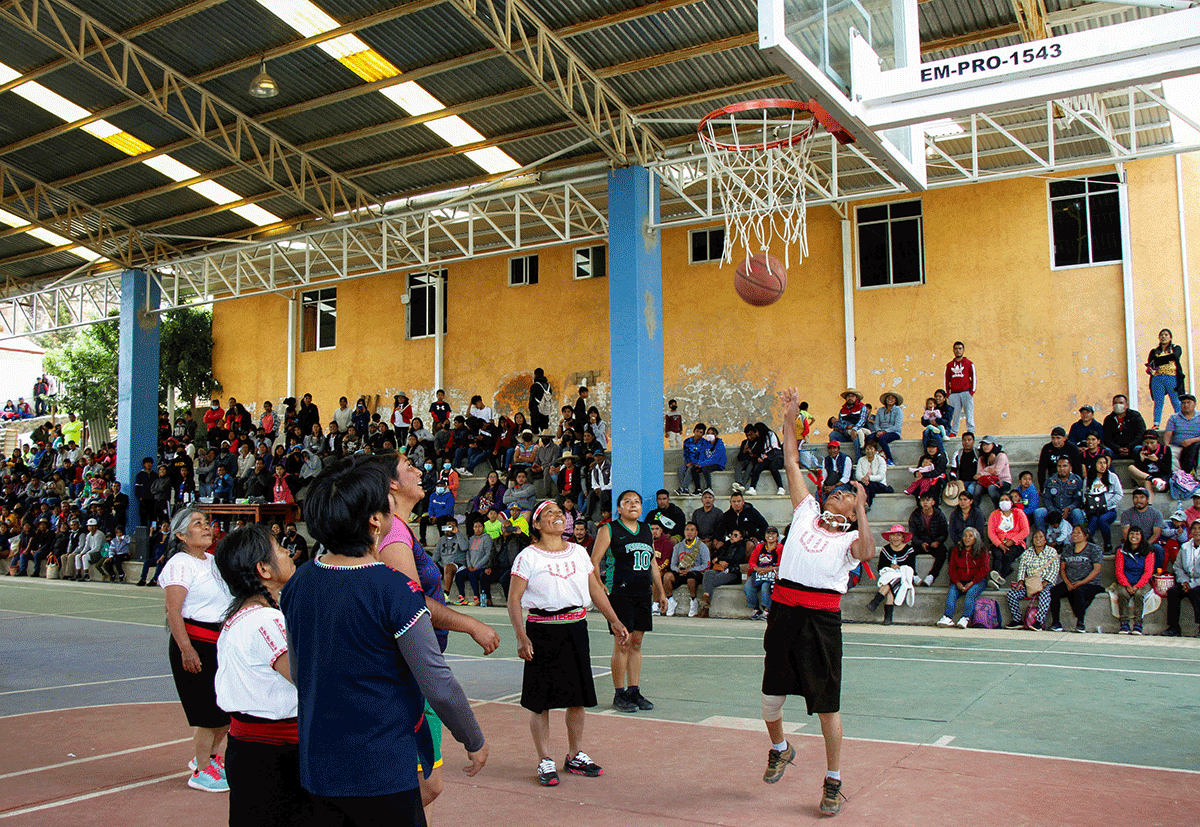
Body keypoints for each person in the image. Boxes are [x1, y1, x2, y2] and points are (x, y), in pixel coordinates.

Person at [282, 454, 488, 823]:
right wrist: (473, 738)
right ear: (375, 521)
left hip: (319, 758)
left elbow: (300, 674)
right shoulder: (394, 589)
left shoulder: (300, 582)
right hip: (381, 763)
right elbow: (437, 681)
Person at [760, 387, 873, 817]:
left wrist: (862, 507)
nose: (836, 493)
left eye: (846, 493)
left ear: (852, 508)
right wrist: (789, 416)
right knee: (770, 699)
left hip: (821, 621)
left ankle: (833, 780)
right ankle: (780, 748)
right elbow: (790, 458)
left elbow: (866, 552)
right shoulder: (806, 509)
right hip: (784, 611)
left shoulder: (849, 538)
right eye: (839, 491)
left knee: (827, 707)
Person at [509, 499, 628, 786]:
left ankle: (574, 754)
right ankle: (544, 759)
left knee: (577, 698)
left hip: (575, 628)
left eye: (560, 513)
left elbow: (595, 588)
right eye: (549, 513)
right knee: (541, 702)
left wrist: (614, 619)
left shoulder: (578, 553)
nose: (557, 517)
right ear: (536, 525)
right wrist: (521, 636)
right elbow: (514, 599)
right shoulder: (528, 557)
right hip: (541, 631)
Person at [212, 523, 313, 827]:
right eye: (281, 549)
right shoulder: (266, 621)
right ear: (264, 570)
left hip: (253, 751)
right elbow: (308, 678)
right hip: (274, 755)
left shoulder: (241, 618)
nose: (289, 553)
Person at [159, 506, 233, 792]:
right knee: (206, 713)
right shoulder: (180, 564)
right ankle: (202, 771)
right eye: (197, 523)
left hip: (218, 643)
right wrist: (186, 649)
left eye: (206, 522)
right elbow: (173, 610)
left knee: (225, 709)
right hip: (194, 642)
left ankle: (209, 757)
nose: (205, 527)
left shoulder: (213, 561)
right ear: (181, 534)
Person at [590, 489, 669, 713]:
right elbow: (594, 561)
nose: (633, 505)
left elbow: (652, 563)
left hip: (642, 592)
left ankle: (634, 690)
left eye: (637, 502)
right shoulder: (609, 529)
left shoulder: (646, 529)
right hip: (620, 592)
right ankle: (619, 693)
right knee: (622, 642)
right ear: (619, 508)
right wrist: (599, 584)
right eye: (628, 502)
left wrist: (660, 592)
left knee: (637, 643)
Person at [1048, 524, 1103, 633]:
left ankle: (1081, 623)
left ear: (1085, 535)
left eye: (1078, 532)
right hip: (1070, 582)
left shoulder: (1094, 549)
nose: (1075, 535)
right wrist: (1067, 583)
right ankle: (1056, 623)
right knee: (1054, 591)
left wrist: (1082, 582)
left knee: (1079, 592)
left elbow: (1096, 570)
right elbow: (1062, 569)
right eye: (1073, 532)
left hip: (1089, 583)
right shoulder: (1068, 549)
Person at [1004, 529, 1059, 630]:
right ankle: (1017, 620)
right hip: (1030, 584)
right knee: (1012, 594)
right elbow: (1022, 568)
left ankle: (1038, 622)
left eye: (1041, 537)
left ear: (1045, 540)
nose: (1038, 539)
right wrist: (1021, 581)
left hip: (1045, 583)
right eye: (1035, 537)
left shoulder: (1051, 552)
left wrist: (1045, 582)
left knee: (1045, 594)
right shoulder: (1027, 553)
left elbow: (1054, 569)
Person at [936, 527, 989, 628]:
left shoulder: (981, 550)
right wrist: (957, 582)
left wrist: (972, 582)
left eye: (970, 536)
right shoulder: (957, 550)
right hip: (960, 581)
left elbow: (984, 569)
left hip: (977, 581)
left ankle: (965, 618)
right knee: (952, 592)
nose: (967, 538)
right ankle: (947, 617)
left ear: (975, 538)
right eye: (965, 536)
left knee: (971, 593)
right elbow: (952, 569)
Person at [866, 525, 917, 625]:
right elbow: (881, 567)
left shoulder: (909, 550)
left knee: (891, 582)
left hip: (903, 578)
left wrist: (899, 568)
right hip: (888, 577)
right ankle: (888, 618)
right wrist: (890, 566)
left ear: (903, 538)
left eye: (898, 535)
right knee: (890, 586)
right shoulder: (885, 549)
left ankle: (876, 601)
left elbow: (911, 568)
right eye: (893, 535)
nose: (896, 538)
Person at [1109, 525, 1155, 634]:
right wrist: (1127, 585)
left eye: (1137, 534)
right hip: (1126, 582)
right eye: (1132, 533)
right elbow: (1119, 571)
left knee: (1139, 594)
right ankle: (1124, 623)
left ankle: (1138, 623)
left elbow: (1148, 572)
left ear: (1142, 536)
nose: (1134, 536)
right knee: (1122, 593)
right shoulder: (1121, 551)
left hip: (1142, 582)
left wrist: (1137, 586)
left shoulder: (1149, 551)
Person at [697, 527, 747, 617]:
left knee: (711, 581)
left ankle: (705, 608)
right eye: (731, 534)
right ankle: (706, 597)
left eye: (736, 535)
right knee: (708, 573)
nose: (732, 537)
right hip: (720, 569)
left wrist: (720, 559)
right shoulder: (726, 545)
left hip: (733, 572)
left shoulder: (741, 547)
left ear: (741, 538)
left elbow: (736, 560)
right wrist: (720, 561)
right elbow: (715, 556)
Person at [1162, 520, 1200, 636]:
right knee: (1173, 592)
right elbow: (1178, 567)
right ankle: (1173, 627)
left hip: (1198, 583)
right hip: (1186, 581)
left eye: (1199, 528)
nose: (1197, 531)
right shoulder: (1185, 547)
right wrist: (1184, 582)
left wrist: (1192, 585)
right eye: (1194, 528)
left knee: (1196, 592)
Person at [666, 521, 710, 617]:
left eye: (692, 530)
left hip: (696, 573)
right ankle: (670, 600)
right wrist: (678, 570)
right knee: (667, 576)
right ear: (684, 532)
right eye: (687, 530)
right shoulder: (678, 547)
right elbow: (672, 564)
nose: (689, 532)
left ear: (696, 533)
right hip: (681, 572)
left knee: (690, 577)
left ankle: (693, 601)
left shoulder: (702, 547)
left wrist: (689, 570)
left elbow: (706, 565)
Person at [986, 491, 1030, 586]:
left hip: (1016, 543)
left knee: (1008, 555)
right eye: (1002, 500)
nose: (1004, 502)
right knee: (997, 555)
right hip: (999, 543)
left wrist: (1013, 541)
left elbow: (1025, 530)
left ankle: (996, 581)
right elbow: (991, 532)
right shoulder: (994, 514)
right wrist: (1000, 544)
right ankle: (999, 576)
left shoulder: (1019, 513)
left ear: (1011, 502)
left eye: (1006, 500)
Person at [1082, 454, 1123, 553]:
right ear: (1094, 464)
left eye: (1105, 463)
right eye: (1100, 463)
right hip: (1093, 511)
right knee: (1093, 520)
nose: (1103, 465)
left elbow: (1119, 494)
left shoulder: (1112, 477)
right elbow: (1084, 496)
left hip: (1109, 510)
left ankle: (1108, 545)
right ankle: (1087, 544)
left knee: (1102, 519)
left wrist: (1105, 505)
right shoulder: (1088, 479)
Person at [1147, 328, 1186, 429]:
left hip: (1172, 377)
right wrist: (1168, 359)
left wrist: (1158, 361)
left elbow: (1175, 356)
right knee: (1158, 402)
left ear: (1170, 337)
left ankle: (1180, 423)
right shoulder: (1154, 351)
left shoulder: (1175, 348)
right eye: (1161, 335)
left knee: (1176, 401)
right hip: (1158, 378)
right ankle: (1156, 423)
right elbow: (1151, 363)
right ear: (1159, 338)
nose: (1163, 337)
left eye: (1166, 335)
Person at [1034, 457, 1085, 533]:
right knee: (1039, 512)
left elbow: (1078, 500)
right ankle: (1042, 537)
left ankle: (1080, 538)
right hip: (1054, 510)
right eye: (1059, 466)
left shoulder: (1077, 481)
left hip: (1069, 511)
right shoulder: (1050, 480)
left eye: (1065, 466)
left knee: (1077, 513)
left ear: (1070, 468)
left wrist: (1070, 508)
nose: (1062, 468)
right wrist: (1052, 510)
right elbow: (1046, 498)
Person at [1119, 487, 1166, 570]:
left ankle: (1155, 575)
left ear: (1147, 499)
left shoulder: (1156, 514)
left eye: (1142, 497)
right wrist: (1134, 545)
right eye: (1136, 497)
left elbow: (1156, 533)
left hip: (1149, 542)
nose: (1138, 500)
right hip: (1132, 542)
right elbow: (1125, 533)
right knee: (1118, 550)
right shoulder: (1126, 514)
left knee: (1159, 550)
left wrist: (1144, 545)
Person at [908, 492, 948, 587]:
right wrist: (921, 543)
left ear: (933, 502)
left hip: (934, 543)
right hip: (920, 544)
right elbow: (912, 533)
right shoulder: (915, 515)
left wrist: (938, 541)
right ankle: (914, 576)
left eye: (928, 500)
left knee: (942, 551)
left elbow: (944, 532)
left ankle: (931, 576)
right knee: (908, 551)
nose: (925, 503)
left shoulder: (939, 515)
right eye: (923, 500)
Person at [745, 526, 781, 620]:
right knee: (748, 586)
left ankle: (767, 610)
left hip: (772, 572)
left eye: (773, 533)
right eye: (768, 533)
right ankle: (756, 609)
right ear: (765, 536)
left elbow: (780, 563)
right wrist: (757, 569)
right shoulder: (759, 547)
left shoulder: (780, 548)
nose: (770, 535)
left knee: (765, 586)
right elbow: (752, 561)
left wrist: (768, 569)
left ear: (777, 537)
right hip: (759, 571)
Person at [944, 341, 976, 435]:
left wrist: (972, 391)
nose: (958, 351)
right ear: (953, 350)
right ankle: (953, 431)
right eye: (956, 349)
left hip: (966, 392)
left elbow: (974, 377)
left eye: (960, 348)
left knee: (969, 412)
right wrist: (948, 394)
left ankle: (971, 431)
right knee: (955, 414)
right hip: (954, 393)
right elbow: (947, 379)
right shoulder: (949, 365)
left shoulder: (969, 363)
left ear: (963, 350)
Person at [1102, 394, 1146, 459]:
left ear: (1126, 405)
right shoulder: (1109, 419)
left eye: (1121, 403)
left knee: (1139, 449)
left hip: (1133, 448)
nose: (1118, 405)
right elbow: (1107, 438)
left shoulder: (1135, 416)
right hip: (1115, 450)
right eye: (1115, 403)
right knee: (1106, 451)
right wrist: (1118, 449)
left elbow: (1141, 433)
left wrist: (1128, 448)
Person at [1164, 392, 1200, 472]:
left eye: (1188, 402)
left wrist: (1191, 441)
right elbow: (1168, 434)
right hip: (1177, 446)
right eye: (1183, 403)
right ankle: (1179, 477)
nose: (1186, 405)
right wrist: (1166, 446)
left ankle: (1198, 477)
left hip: (1196, 446)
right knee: (1169, 452)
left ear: (1194, 404)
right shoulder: (1174, 417)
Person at [828, 390, 868, 460]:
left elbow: (862, 420)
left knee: (855, 436)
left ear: (856, 398)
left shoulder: (862, 407)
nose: (850, 398)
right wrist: (844, 428)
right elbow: (840, 423)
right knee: (833, 434)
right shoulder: (842, 410)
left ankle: (859, 459)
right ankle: (834, 458)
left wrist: (854, 429)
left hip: (858, 432)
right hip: (846, 433)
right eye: (848, 396)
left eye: (852, 396)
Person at [855, 439, 892, 510]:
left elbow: (881, 476)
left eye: (871, 449)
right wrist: (864, 479)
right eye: (867, 449)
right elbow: (858, 475)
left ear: (875, 451)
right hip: (865, 483)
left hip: (879, 484)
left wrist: (869, 478)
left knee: (869, 485)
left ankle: (867, 503)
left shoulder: (880, 460)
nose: (869, 451)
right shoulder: (861, 460)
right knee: (865, 485)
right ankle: (865, 504)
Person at [975, 436, 1011, 506]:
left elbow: (997, 472)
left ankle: (999, 509)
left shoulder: (1001, 455)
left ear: (993, 445)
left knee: (992, 488)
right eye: (983, 445)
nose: (985, 447)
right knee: (977, 488)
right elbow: (978, 474)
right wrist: (989, 471)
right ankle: (975, 510)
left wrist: (983, 472)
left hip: (1003, 481)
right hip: (987, 481)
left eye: (988, 444)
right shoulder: (981, 458)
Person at [871, 392, 903, 465]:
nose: (890, 399)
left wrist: (885, 432)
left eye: (892, 398)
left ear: (895, 400)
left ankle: (890, 459)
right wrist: (879, 431)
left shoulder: (898, 410)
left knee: (882, 438)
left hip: (894, 432)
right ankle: (872, 457)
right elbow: (876, 423)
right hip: (880, 432)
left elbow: (897, 426)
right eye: (888, 398)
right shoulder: (880, 410)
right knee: (869, 438)